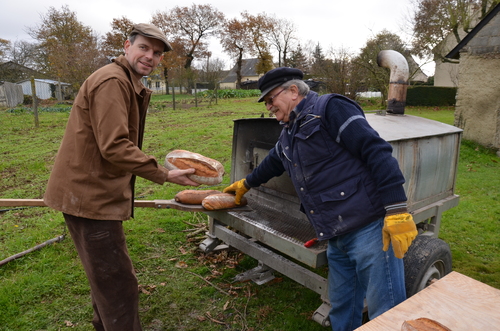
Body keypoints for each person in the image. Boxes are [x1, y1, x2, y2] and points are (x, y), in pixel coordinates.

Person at [224, 67, 418, 331]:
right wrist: (246, 183)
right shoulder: (289, 131)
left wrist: (396, 209)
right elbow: (273, 162)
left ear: (293, 91)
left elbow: (377, 151)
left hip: (369, 230)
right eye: (266, 102)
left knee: (386, 310)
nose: (269, 106)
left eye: (271, 99)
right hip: (334, 234)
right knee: (342, 307)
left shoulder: (331, 108)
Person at [44, 24, 199, 331]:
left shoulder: (125, 81)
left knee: (105, 277)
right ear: (127, 46)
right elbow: (114, 146)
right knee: (118, 285)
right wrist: (165, 175)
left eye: (156, 53)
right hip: (89, 197)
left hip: (91, 193)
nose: (150, 57)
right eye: (144, 48)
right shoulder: (113, 81)